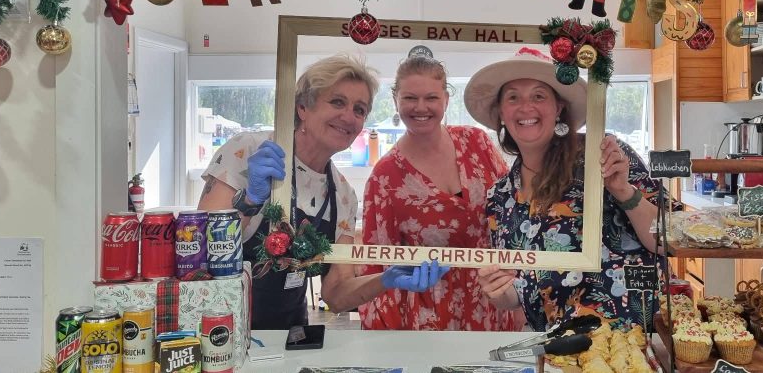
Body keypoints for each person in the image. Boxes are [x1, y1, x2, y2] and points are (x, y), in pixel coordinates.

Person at [198, 54, 448, 330]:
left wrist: (386, 279)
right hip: (219, 328)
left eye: (359, 109)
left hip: (289, 336)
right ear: (303, 106)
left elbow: (336, 294)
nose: (348, 117)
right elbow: (199, 252)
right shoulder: (248, 151)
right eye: (337, 102)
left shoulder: (343, 195)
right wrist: (250, 201)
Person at [464, 48, 674, 331]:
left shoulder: (603, 155)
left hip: (628, 346)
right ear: (502, 112)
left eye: (539, 95)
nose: (526, 107)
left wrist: (623, 191)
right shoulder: (500, 197)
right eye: (513, 97)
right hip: (555, 352)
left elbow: (667, 241)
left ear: (558, 107)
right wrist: (500, 293)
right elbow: (519, 289)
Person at [357, 56, 525, 330]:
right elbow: (378, 263)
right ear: (395, 100)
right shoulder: (385, 176)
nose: (420, 107)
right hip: (429, 311)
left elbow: (513, 214)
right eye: (410, 98)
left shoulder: (476, 142)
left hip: (493, 296)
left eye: (431, 98)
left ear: (446, 100)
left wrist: (519, 295)